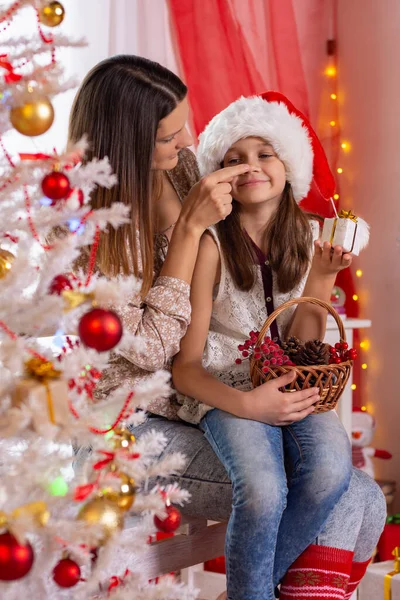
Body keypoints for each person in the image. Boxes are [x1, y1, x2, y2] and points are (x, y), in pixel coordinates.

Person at [69, 55, 386, 600]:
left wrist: (315, 267)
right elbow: (152, 349)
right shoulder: (88, 229)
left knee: (358, 492)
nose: (187, 141)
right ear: (128, 142)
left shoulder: (184, 166)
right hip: (131, 424)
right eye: (169, 136)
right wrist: (190, 231)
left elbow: (265, 245)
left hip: (206, 400)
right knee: (350, 498)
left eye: (185, 125)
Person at [172, 91, 382, 600]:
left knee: (333, 469)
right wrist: (247, 403)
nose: (250, 167)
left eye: (264, 153)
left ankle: (248, 592)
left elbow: (301, 346)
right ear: (218, 174)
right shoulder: (211, 245)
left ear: (288, 163)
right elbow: (187, 369)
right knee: (263, 492)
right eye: (234, 159)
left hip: (290, 383)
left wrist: (322, 280)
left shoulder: (311, 238)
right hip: (228, 392)